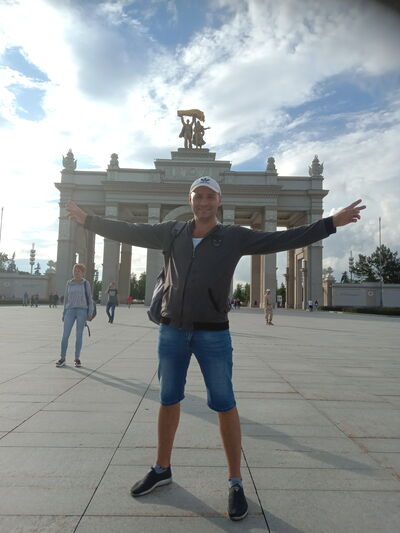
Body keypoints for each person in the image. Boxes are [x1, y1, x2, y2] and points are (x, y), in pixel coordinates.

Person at [65, 177, 365, 521]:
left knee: (225, 404)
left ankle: (235, 482)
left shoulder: (233, 236)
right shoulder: (172, 232)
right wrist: (89, 220)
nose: (204, 202)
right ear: (190, 199)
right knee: (168, 399)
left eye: (210, 196)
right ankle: (162, 468)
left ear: (218, 201)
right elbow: (130, 231)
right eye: (199, 196)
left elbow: (283, 238)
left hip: (213, 335)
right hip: (172, 331)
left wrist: (330, 223)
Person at [56, 263, 94, 368]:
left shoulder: (86, 283)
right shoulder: (69, 283)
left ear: (82, 273)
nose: (76, 273)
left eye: (78, 271)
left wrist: (90, 313)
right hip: (70, 310)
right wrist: (64, 313)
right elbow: (66, 299)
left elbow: (89, 299)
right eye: (75, 271)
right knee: (65, 335)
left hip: (82, 310)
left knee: (79, 335)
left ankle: (77, 358)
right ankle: (62, 358)